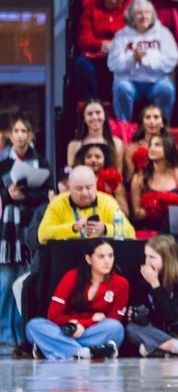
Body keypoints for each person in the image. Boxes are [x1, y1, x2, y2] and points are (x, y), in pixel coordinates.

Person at [25, 239, 127, 360]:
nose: (107, 261)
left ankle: (55, 348)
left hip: (94, 331)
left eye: (111, 256)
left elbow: (113, 319)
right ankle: (85, 352)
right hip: (65, 329)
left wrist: (85, 325)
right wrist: (80, 324)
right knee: (34, 326)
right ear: (89, 259)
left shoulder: (121, 283)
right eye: (101, 256)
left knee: (116, 328)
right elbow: (53, 315)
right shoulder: (71, 276)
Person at [0, 113, 49, 344]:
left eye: (24, 131)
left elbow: (47, 194)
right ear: (10, 135)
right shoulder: (2, 163)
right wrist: (7, 195)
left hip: (29, 226)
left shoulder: (41, 162)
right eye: (16, 131)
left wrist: (25, 195)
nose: (20, 136)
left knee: (24, 283)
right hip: (7, 233)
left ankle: (22, 336)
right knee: (5, 283)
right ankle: (4, 333)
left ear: (30, 135)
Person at [107, 0, 178, 123]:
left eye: (147, 12)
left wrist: (146, 60)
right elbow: (112, 64)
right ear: (131, 17)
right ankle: (124, 130)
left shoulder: (163, 33)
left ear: (152, 15)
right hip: (129, 81)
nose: (144, 16)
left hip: (157, 81)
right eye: (139, 13)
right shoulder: (121, 35)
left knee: (166, 89)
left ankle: (163, 129)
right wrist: (132, 59)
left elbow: (171, 61)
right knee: (121, 88)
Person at [75, 0, 135, 101]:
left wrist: (115, 48)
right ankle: (91, 105)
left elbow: (133, 39)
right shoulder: (92, 8)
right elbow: (83, 38)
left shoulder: (130, 14)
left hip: (120, 56)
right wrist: (100, 45)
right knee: (81, 64)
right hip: (95, 54)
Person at [39, 166, 134, 243]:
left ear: (95, 185)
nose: (84, 193)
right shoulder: (58, 203)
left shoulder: (108, 201)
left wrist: (105, 229)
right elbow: (42, 235)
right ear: (70, 188)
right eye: (79, 189)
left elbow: (130, 233)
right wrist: (73, 228)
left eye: (89, 187)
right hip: (67, 256)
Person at [129, 135, 178, 230]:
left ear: (168, 148)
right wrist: (155, 208)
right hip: (148, 230)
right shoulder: (139, 178)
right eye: (150, 145)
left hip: (177, 229)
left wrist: (168, 206)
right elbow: (136, 214)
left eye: (157, 145)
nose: (152, 148)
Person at [65, 100, 124, 185]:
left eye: (98, 112)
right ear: (84, 118)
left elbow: (119, 176)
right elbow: (71, 175)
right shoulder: (74, 145)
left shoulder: (117, 143)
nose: (94, 117)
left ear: (105, 115)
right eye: (89, 114)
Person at [73, 142, 130, 218]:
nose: (93, 160)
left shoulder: (114, 182)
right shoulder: (75, 181)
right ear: (83, 160)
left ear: (105, 160)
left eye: (98, 157)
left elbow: (125, 213)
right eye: (88, 157)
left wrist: (109, 196)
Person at [122, 103, 166, 175]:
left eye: (156, 117)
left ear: (162, 123)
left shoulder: (169, 147)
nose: (152, 121)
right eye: (148, 117)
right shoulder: (132, 149)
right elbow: (129, 178)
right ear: (142, 123)